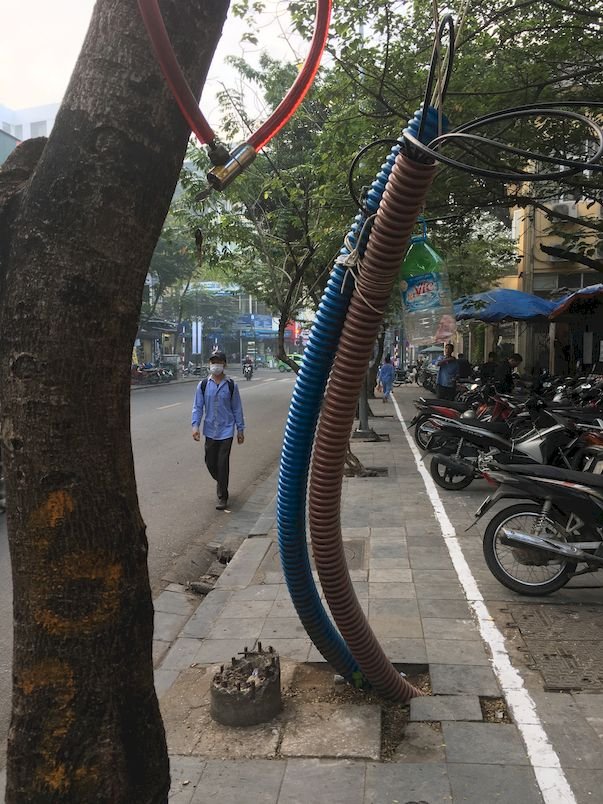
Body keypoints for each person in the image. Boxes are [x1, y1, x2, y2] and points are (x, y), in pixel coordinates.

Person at [191, 351, 245, 510]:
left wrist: (240, 430)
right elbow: (198, 407)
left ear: (224, 364)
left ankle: (222, 496)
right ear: (209, 364)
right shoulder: (203, 385)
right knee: (210, 462)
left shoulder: (231, 385)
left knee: (222, 464)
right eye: (213, 361)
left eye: (219, 361)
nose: (216, 365)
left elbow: (237, 409)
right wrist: (195, 427)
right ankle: (222, 482)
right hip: (210, 430)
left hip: (227, 430)